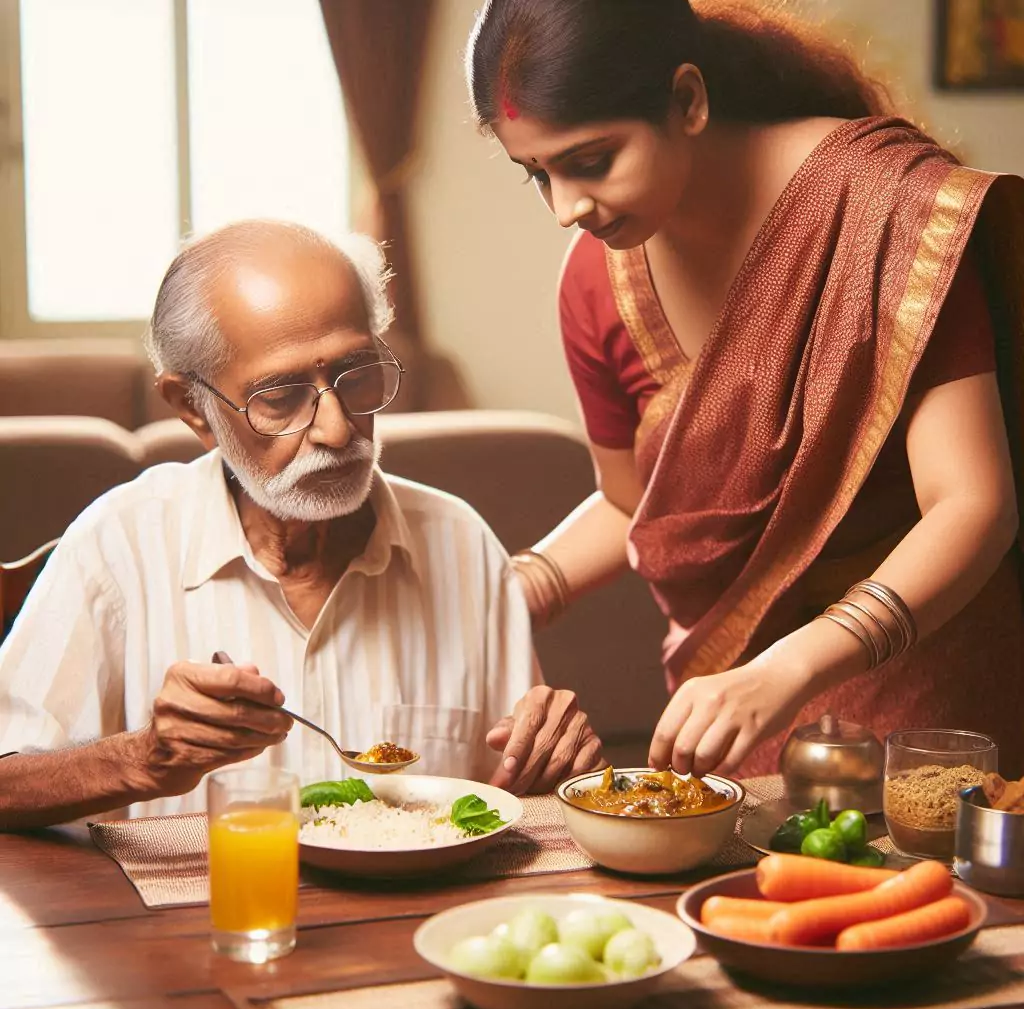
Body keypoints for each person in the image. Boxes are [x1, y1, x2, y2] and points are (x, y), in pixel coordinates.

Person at [465, 0, 1024, 778]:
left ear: (687, 100)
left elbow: (974, 505)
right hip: (736, 710)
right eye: (538, 175)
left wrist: (789, 671)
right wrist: (509, 590)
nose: (566, 209)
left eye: (591, 161)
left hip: (934, 696)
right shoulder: (597, 280)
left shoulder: (891, 215)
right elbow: (634, 501)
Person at [0, 221, 604, 828]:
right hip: (202, 921)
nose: (337, 429)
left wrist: (553, 755)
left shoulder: (459, 541)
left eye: (357, 372)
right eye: (282, 396)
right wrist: (145, 758)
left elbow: (509, 797)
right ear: (194, 407)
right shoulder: (119, 545)